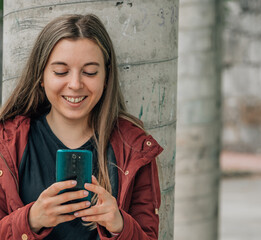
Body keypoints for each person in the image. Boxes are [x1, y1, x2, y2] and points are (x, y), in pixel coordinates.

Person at [0, 14, 163, 240]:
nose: (75, 84)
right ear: (41, 76)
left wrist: (119, 225)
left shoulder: (134, 147)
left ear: (106, 77)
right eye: (60, 71)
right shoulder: (6, 143)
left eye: (90, 72)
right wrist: (30, 220)